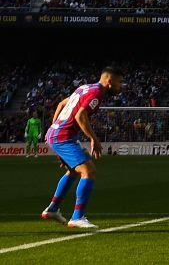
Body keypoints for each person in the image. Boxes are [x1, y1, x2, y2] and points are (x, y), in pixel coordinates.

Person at [41, 66, 124, 230]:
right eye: (120, 82)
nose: (121, 86)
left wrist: (53, 127)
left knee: (73, 171)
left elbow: (61, 104)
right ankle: (77, 217)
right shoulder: (96, 93)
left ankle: (53, 209)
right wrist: (94, 139)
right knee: (89, 171)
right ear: (109, 80)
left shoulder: (85, 87)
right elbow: (80, 115)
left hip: (59, 134)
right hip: (63, 137)